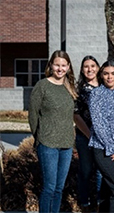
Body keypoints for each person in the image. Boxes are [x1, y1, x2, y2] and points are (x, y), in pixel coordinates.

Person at [28, 50, 78, 213]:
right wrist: (39, 138)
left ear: (68, 67)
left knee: (59, 188)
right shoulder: (42, 86)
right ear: (50, 65)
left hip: (66, 144)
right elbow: (33, 114)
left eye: (63, 65)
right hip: (47, 143)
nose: (60, 68)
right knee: (49, 187)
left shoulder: (69, 87)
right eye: (57, 64)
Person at [88, 60, 114, 212]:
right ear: (101, 75)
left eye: (113, 74)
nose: (109, 77)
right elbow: (99, 125)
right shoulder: (96, 94)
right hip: (102, 149)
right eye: (106, 74)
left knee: (108, 191)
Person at [73, 55, 102, 212]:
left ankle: (98, 203)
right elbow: (76, 115)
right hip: (85, 136)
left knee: (100, 171)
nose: (90, 69)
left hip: (103, 139)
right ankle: (84, 204)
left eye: (92, 66)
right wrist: (90, 136)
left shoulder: (105, 87)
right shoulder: (79, 89)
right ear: (82, 70)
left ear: (97, 68)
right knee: (85, 170)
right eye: (86, 66)